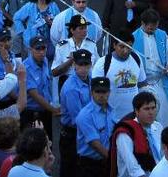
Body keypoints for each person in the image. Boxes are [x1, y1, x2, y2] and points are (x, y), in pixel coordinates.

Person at [132, 9, 168, 127]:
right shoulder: (133, 37)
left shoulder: (161, 35)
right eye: (150, 28)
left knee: (167, 115)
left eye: (155, 27)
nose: (153, 31)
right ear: (142, 23)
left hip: (161, 81)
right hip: (144, 83)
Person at [92, 31, 146, 122]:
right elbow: (94, 90)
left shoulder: (137, 59)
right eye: (122, 46)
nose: (125, 51)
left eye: (129, 47)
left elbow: (142, 84)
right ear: (114, 45)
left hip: (134, 118)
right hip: (111, 119)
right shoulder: (103, 63)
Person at [110, 91, 163, 177]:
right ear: (136, 111)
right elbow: (133, 168)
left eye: (153, 108)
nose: (151, 112)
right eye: (146, 109)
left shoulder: (158, 127)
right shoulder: (125, 133)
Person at [58, 49, 93, 177]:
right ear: (74, 65)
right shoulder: (71, 88)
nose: (83, 68)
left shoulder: (90, 80)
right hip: (73, 135)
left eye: (86, 64)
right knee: (71, 170)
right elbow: (78, 119)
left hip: (85, 131)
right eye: (80, 65)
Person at [76, 76, 116, 177]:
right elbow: (96, 145)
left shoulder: (111, 110)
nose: (101, 95)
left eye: (104, 92)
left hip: (107, 162)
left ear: (109, 92)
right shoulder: (85, 115)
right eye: (98, 92)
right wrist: (115, 162)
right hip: (90, 166)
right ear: (91, 92)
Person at [22, 36, 59, 140]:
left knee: (48, 143)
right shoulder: (25, 68)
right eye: (38, 49)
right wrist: (54, 110)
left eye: (43, 48)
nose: (41, 52)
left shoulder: (45, 61)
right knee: (34, 147)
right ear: (30, 49)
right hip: (32, 113)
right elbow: (35, 95)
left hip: (46, 110)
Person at [52, 15, 99, 90]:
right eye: (81, 28)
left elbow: (97, 67)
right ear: (72, 30)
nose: (85, 31)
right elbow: (54, 72)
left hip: (87, 83)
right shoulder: (62, 46)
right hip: (68, 83)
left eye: (85, 28)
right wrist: (71, 61)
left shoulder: (92, 45)